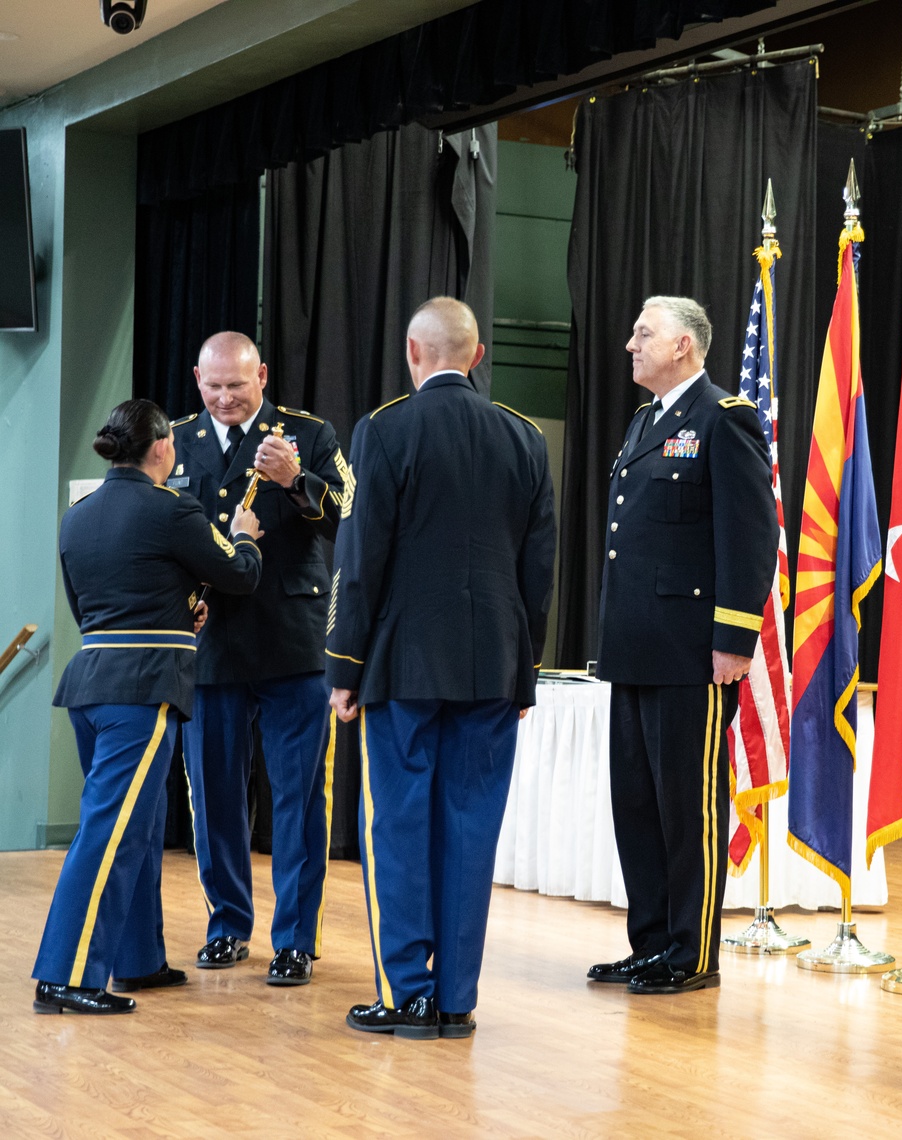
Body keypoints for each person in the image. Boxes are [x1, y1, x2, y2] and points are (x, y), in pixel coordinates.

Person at [327, 297, 556, 1038]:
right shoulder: (524, 438)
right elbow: (540, 567)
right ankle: (455, 997)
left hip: (402, 664)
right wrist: (527, 664)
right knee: (470, 829)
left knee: (397, 826)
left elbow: (360, 558)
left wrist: (343, 664)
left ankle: (407, 994)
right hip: (494, 663)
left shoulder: (384, 428)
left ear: (412, 353)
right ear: (478, 354)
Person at [33, 399, 262, 1014]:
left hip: (93, 680)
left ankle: (135, 961)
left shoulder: (77, 516)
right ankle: (67, 976)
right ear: (162, 446)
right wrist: (245, 537)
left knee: (136, 824)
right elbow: (238, 574)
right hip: (144, 689)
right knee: (110, 832)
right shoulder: (172, 509)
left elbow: (93, 611)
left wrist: (173, 614)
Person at [589, 296, 778, 995]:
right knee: (635, 803)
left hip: (692, 650)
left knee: (685, 803)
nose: (630, 343)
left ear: (684, 347)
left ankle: (691, 954)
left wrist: (734, 638)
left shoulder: (725, 419)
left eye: (644, 333)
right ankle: (650, 943)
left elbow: (750, 536)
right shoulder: (646, 421)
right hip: (635, 646)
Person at [171, 331, 345, 986]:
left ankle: (296, 938)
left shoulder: (307, 433)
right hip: (211, 641)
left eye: (236, 386)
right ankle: (226, 925)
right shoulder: (178, 439)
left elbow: (347, 511)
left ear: (262, 376)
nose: (223, 398)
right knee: (214, 793)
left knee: (298, 795)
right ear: (196, 378)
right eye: (212, 386)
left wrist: (296, 480)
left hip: (290, 640)